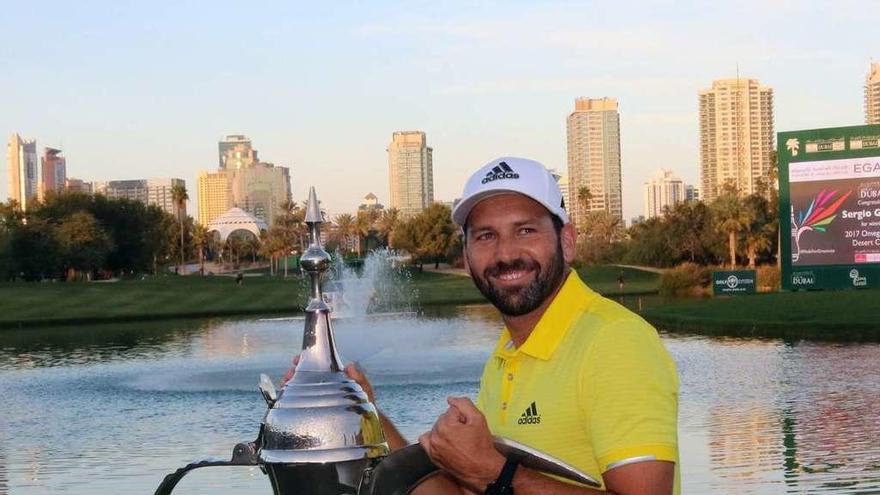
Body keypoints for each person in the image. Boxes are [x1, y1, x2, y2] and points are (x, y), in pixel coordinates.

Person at [285, 157, 679, 494]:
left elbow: (491, 477)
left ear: (568, 240)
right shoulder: (508, 354)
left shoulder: (613, 341)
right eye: (486, 236)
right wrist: (365, 416)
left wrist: (495, 471)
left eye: (525, 230)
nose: (506, 253)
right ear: (467, 256)